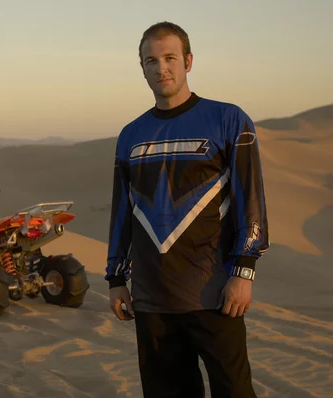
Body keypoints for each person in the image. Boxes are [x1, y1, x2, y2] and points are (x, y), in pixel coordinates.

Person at [105, 21, 269, 398]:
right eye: (151, 60)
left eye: (169, 58)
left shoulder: (228, 119)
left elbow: (252, 200)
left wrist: (244, 271)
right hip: (152, 300)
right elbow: (121, 211)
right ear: (142, 67)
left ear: (188, 61)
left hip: (214, 294)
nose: (160, 68)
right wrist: (115, 279)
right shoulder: (130, 135)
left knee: (235, 392)